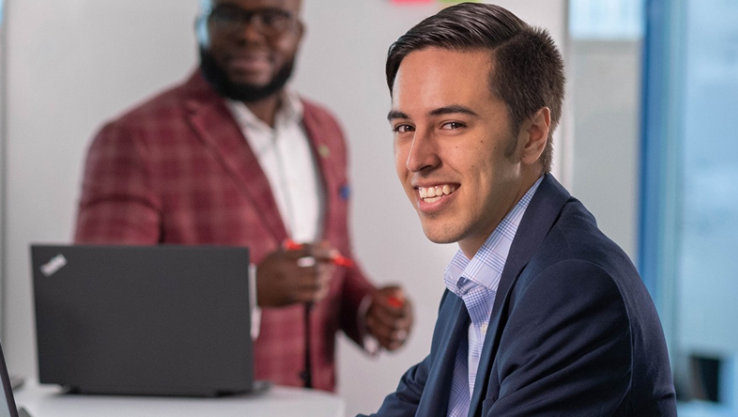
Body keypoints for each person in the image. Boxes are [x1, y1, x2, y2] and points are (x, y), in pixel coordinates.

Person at [74, 0, 413, 392]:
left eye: (272, 17)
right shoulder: (135, 140)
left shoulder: (326, 130)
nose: (251, 34)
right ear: (201, 24)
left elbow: (334, 258)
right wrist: (247, 290)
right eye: (231, 15)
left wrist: (367, 310)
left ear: (298, 31)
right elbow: (99, 303)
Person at [361, 3, 676, 416]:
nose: (417, 158)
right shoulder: (475, 281)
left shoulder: (574, 290)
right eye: (405, 128)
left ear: (532, 135)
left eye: (451, 124)